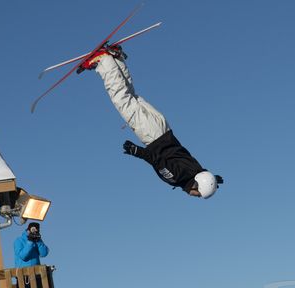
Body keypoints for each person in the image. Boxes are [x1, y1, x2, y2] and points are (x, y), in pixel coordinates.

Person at [79, 46, 224, 199]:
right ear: (196, 184)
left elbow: (200, 174)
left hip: (163, 128)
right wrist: (137, 151)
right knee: (122, 99)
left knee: (131, 96)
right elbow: (157, 160)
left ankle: (116, 58)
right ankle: (104, 59)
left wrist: (212, 179)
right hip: (151, 134)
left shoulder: (196, 170)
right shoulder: (177, 178)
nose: (194, 195)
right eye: (197, 193)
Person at [13, 222, 49, 288]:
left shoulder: (37, 240)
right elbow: (23, 256)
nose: (34, 231)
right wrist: (30, 242)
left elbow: (44, 253)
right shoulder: (19, 240)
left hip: (36, 275)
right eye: (32, 230)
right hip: (22, 276)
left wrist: (38, 241)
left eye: (36, 230)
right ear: (28, 229)